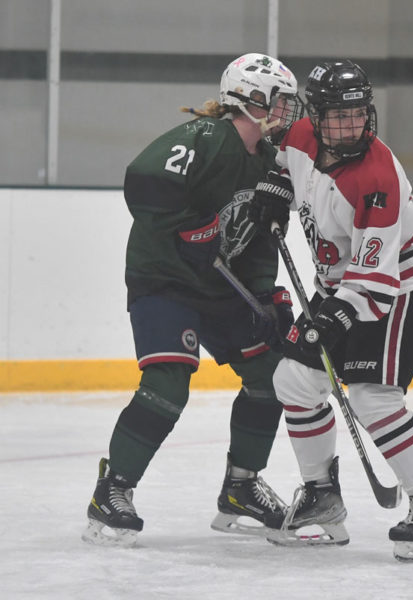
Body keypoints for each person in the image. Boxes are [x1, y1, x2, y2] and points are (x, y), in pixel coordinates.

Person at [82, 53, 304, 547]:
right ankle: (112, 490)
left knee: (272, 374)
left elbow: (258, 240)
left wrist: (271, 297)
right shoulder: (206, 138)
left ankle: (241, 488)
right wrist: (188, 229)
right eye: (281, 101)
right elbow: (144, 179)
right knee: (169, 380)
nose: (288, 111)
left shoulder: (270, 162)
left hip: (219, 286)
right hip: (165, 279)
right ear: (250, 98)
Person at [248, 59, 413, 560]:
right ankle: (321, 497)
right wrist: (278, 188)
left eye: (358, 113)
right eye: (337, 116)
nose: (349, 125)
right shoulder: (298, 136)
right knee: (293, 383)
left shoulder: (377, 178)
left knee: (371, 398)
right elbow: (286, 168)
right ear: (314, 117)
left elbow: (374, 283)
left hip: (399, 288)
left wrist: (334, 317)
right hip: (340, 283)